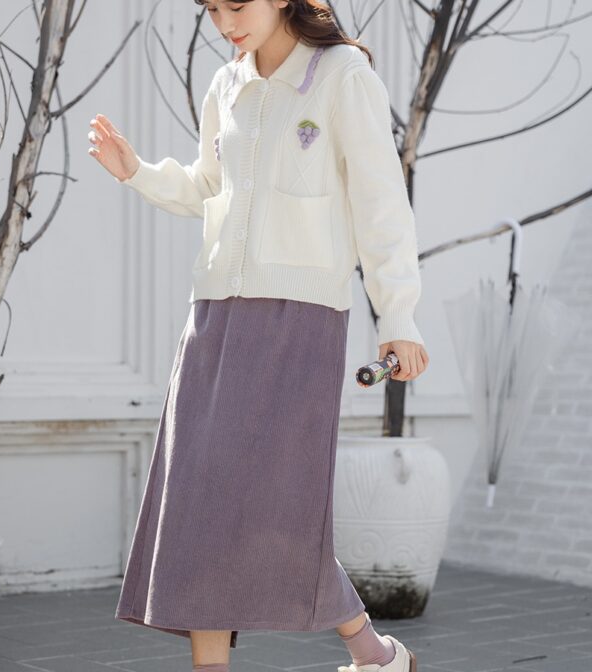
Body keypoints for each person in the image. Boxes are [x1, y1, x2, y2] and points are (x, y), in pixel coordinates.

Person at [88, 1, 429, 670]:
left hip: (300, 320)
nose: (225, 23)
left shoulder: (343, 76)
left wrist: (399, 318)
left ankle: (373, 652)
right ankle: (366, 656)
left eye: (236, 4)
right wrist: (137, 171)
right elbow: (208, 186)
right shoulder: (227, 84)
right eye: (211, 8)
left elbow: (382, 204)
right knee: (196, 505)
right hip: (213, 316)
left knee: (280, 508)